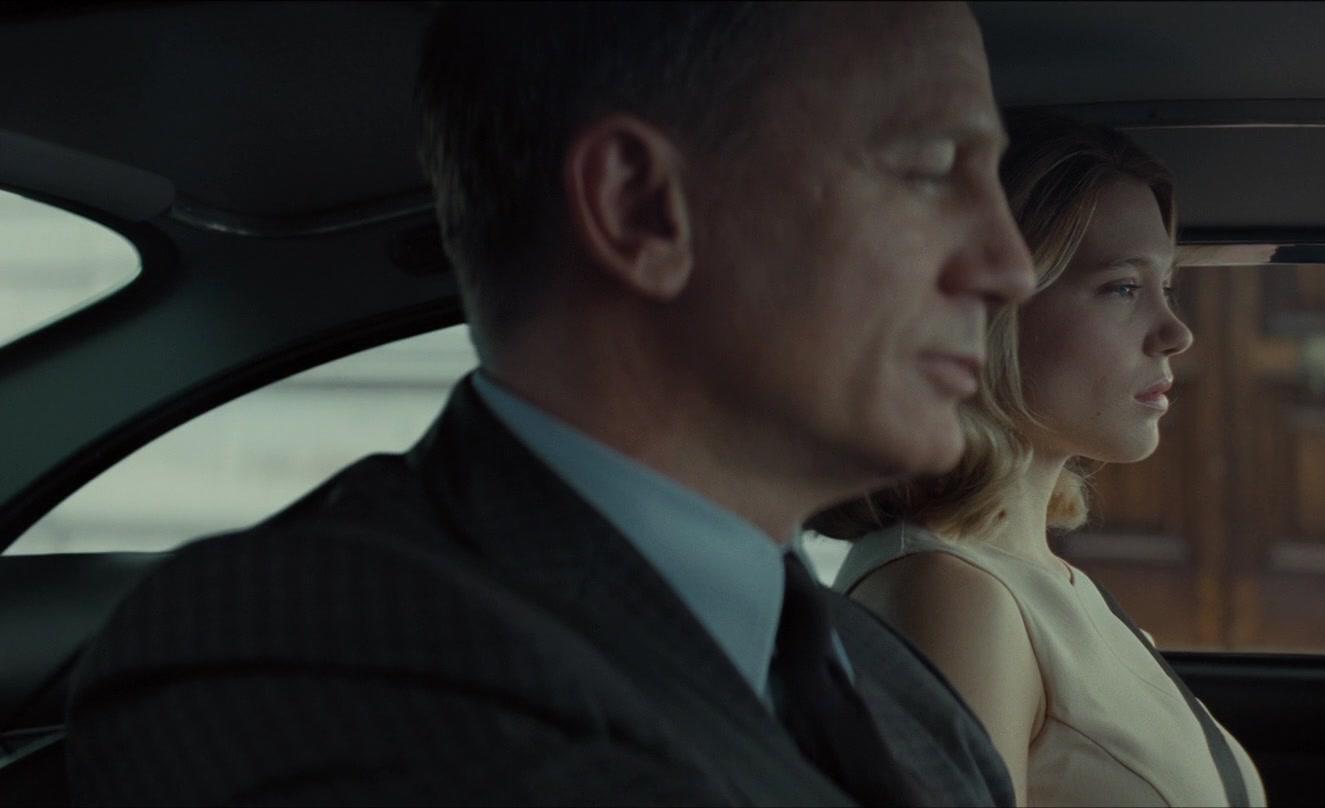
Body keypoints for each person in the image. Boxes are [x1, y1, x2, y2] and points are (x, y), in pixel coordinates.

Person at [64, 2, 1034, 805]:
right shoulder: (297, 653)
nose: (1009, 267)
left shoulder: (888, 678)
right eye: (930, 171)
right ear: (640, 208)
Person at [812, 113, 1268, 807]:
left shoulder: (1041, 580)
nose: (1176, 332)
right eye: (1123, 287)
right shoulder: (950, 594)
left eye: (1167, 287)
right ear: (986, 312)